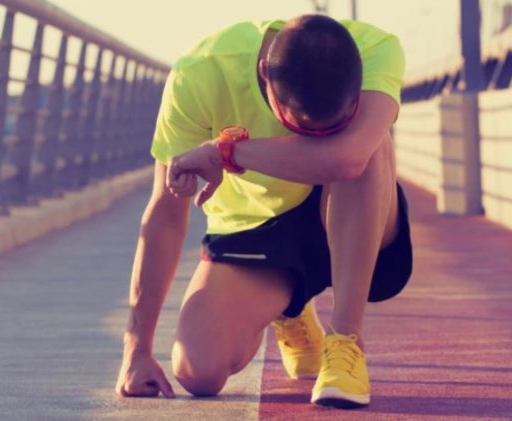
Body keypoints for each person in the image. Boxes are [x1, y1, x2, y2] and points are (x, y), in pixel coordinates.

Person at [115, 14, 413, 409]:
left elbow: (346, 160)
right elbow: (166, 216)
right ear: (263, 76)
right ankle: (292, 308)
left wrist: (224, 153)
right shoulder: (199, 75)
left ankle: (345, 342)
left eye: (329, 129)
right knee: (197, 370)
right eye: (299, 125)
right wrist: (136, 349)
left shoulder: (376, 48)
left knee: (367, 149)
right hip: (256, 229)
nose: (315, 138)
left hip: (355, 214)